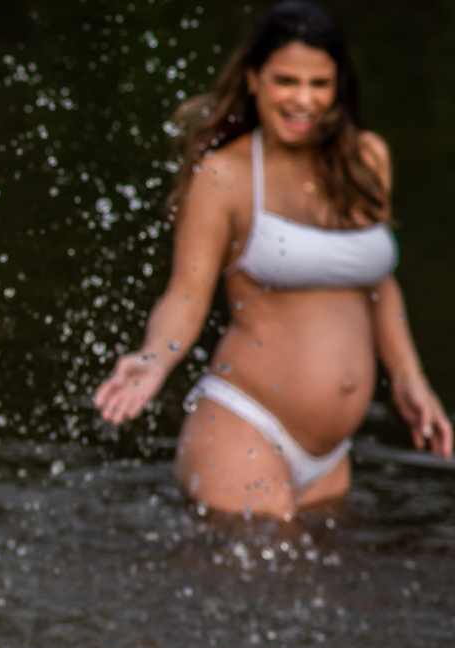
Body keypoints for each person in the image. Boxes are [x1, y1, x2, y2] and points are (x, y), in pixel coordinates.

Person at [93, 1, 452, 519]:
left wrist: (409, 377)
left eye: (319, 84)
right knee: (259, 593)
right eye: (286, 81)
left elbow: (377, 280)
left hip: (331, 452)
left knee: (323, 592)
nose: (303, 100)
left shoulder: (367, 157)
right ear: (253, 78)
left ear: (338, 86)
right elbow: (186, 296)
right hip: (246, 423)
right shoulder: (223, 176)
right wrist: (154, 359)